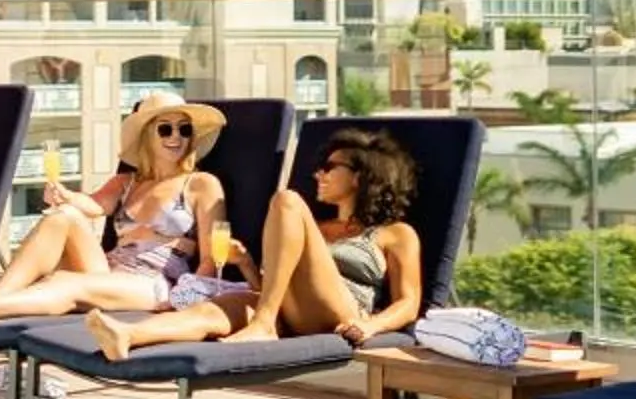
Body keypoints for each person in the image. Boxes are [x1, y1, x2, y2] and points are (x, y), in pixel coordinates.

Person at [83, 127, 423, 362]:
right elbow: (272, 287)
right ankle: (128, 336)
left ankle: (261, 325)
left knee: (287, 201)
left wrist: (371, 325)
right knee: (212, 311)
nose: (318, 174)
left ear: (363, 175)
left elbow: (409, 303)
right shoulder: (314, 228)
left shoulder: (394, 234)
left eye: (329, 167)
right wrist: (246, 265)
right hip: (285, 314)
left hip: (344, 314)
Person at [0, 95, 232, 322]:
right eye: (166, 129)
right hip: (110, 271)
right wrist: (65, 195)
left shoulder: (201, 184)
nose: (176, 136)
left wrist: (185, 300)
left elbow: (209, 258)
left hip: (156, 284)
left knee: (62, 282)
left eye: (184, 129)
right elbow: (93, 206)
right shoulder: (127, 181)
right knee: (62, 216)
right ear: (148, 135)